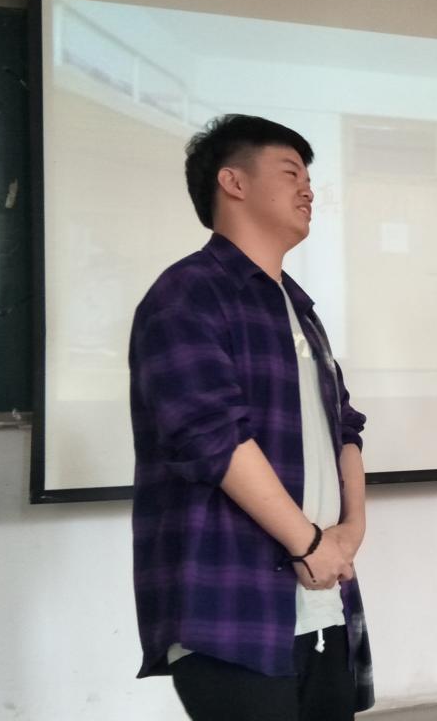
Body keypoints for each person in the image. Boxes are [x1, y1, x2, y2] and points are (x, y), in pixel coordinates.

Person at [130, 114, 373, 720]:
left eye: (309, 178)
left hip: (323, 597)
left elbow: (345, 427)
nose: (308, 189)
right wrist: (308, 542)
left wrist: (351, 531)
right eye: (291, 172)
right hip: (231, 607)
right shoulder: (187, 293)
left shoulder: (300, 308)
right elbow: (209, 436)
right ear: (233, 182)